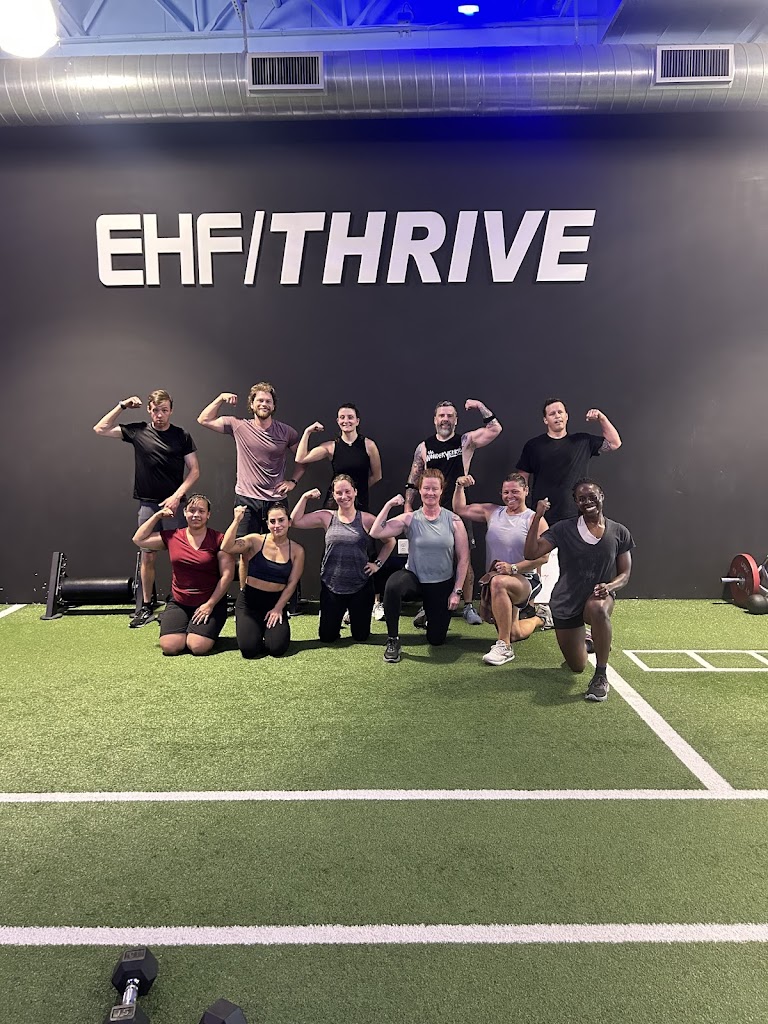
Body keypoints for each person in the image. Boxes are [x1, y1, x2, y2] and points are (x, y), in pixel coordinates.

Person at [94, 389, 200, 628]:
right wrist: (122, 405)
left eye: (164, 410)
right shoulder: (138, 431)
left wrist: (176, 497)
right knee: (147, 554)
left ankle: (179, 603)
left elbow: (195, 470)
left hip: (174, 505)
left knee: (179, 555)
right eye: (155, 410)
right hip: (147, 505)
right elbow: (100, 428)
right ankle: (146, 606)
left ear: (171, 411)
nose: (160, 415)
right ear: (149, 410)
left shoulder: (182, 435)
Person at [523, 479, 634, 702]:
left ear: (601, 496)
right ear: (576, 502)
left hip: (598, 596)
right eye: (581, 498)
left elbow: (625, 573)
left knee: (598, 609)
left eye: (592, 496)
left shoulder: (619, 532)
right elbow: (531, 553)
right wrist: (537, 517)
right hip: (566, 601)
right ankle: (591, 640)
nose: (587, 501)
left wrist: (610, 586)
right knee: (577, 666)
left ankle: (601, 675)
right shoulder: (563, 529)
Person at [515, 398, 622, 620]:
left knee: (579, 566)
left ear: (566, 416)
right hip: (545, 515)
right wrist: (524, 506)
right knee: (539, 561)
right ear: (545, 419)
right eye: (552, 413)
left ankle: (583, 611)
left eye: (560, 412)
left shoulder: (582, 441)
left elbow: (614, 443)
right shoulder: (534, 446)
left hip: (578, 515)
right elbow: (521, 479)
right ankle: (538, 608)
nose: (557, 416)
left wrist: (601, 418)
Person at [404, 398, 501, 627]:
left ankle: (467, 605)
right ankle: (427, 605)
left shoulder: (465, 441)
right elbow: (414, 478)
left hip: (458, 508)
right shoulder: (424, 447)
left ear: (456, 420)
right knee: (427, 557)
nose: (445, 419)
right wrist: (408, 506)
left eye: (450, 416)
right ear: (435, 420)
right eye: (441, 415)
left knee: (463, 557)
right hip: (430, 511)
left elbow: (495, 429)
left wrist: (480, 407)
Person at [197, 383, 305, 588]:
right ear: (252, 404)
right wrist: (220, 398)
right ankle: (246, 596)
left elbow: (303, 458)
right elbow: (204, 419)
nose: (264, 404)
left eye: (268, 401)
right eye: (260, 400)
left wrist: (293, 481)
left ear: (274, 406)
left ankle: (279, 597)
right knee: (245, 552)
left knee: (279, 550)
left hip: (276, 501)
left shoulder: (286, 432)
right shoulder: (238, 425)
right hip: (246, 500)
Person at [295, 403, 387, 620]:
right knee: (335, 550)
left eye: (350, 417)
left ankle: (375, 602)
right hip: (334, 505)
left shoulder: (369, 445)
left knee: (368, 549)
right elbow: (301, 458)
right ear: (338, 421)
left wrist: (354, 494)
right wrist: (307, 432)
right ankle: (336, 601)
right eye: (342, 417)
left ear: (357, 421)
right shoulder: (331, 446)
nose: (346, 421)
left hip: (359, 504)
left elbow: (377, 475)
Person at [370, 469, 469, 663]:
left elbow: (464, 558)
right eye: (426, 488)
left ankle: (428, 614)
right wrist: (389, 505)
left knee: (436, 640)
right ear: (420, 490)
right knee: (393, 585)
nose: (430, 493)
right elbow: (375, 532)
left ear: (441, 490)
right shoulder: (410, 518)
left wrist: (456, 591)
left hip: (441, 584)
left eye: (434, 489)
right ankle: (393, 639)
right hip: (414, 579)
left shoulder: (454, 521)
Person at [453, 473, 550, 666]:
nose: (510, 496)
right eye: (506, 492)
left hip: (526, 579)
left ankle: (504, 647)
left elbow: (543, 557)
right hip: (500, 580)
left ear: (526, 491)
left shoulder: (534, 519)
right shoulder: (492, 512)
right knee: (514, 632)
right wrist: (459, 486)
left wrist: (513, 568)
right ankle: (541, 618)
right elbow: (460, 508)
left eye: (515, 491)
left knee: (498, 582)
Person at [290, 476, 395, 643]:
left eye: (347, 491)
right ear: (333, 494)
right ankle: (340, 614)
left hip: (360, 585)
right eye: (339, 493)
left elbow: (390, 541)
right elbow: (295, 521)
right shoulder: (326, 517)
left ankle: (351, 614)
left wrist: (377, 564)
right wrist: (304, 497)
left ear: (355, 492)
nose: (344, 496)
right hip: (332, 585)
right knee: (327, 637)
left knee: (361, 637)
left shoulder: (366, 519)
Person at [132, 494, 234, 655]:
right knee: (170, 647)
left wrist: (210, 605)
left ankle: (199, 631)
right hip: (180, 602)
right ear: (185, 512)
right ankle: (186, 627)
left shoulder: (219, 539)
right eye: (192, 510)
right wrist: (157, 516)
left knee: (198, 646)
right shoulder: (173, 536)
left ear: (208, 515)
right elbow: (138, 539)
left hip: (210, 602)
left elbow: (227, 576)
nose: (196, 515)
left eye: (201, 511)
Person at [221, 502, 305, 658]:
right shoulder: (255, 540)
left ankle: (267, 628)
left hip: (275, 602)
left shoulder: (297, 550)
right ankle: (253, 627)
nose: (277, 525)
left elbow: (292, 583)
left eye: (281, 520)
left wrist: (278, 608)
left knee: (277, 648)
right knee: (249, 650)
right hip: (249, 603)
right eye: (272, 521)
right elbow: (227, 547)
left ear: (289, 522)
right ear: (267, 524)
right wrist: (236, 520)